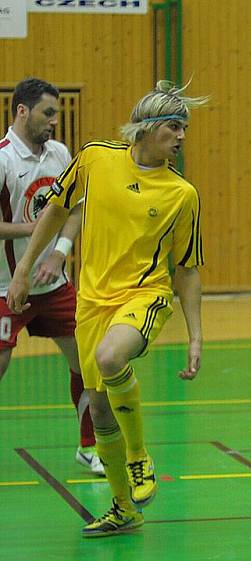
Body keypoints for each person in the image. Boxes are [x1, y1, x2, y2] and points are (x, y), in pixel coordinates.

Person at [6, 80, 207, 537]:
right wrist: (23, 272)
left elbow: (188, 269)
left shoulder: (182, 194)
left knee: (111, 357)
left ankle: (139, 457)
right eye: (174, 126)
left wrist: (196, 335)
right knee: (98, 410)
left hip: (145, 296)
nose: (181, 136)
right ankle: (124, 508)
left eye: (184, 129)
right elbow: (55, 211)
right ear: (147, 126)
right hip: (92, 300)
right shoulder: (95, 157)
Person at [0, 78, 103, 476]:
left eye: (56, 114)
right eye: (48, 113)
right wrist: (33, 230)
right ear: (22, 111)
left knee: (89, 362)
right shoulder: (4, 159)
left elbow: (75, 209)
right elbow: (37, 220)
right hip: (6, 286)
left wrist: (59, 253)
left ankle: (89, 446)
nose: (54, 122)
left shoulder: (60, 154)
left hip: (53, 286)